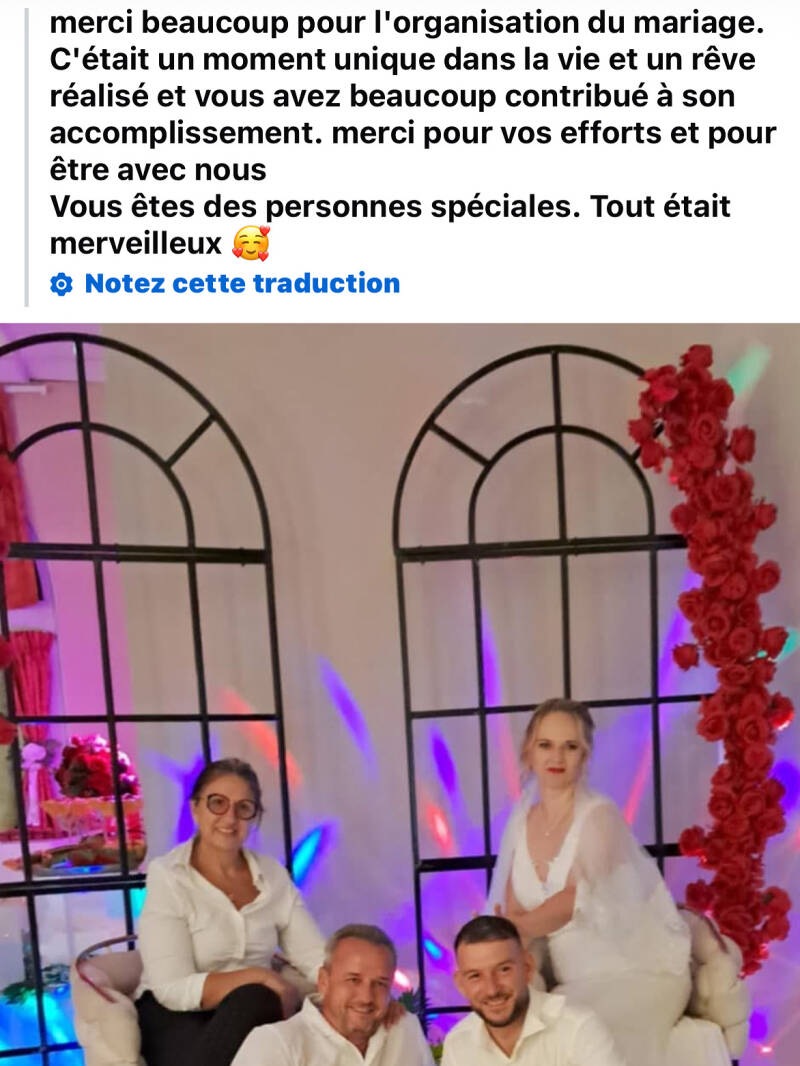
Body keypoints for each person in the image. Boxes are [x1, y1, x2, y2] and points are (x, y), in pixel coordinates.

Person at [487, 699, 691, 1066]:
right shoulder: (520, 823)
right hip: (576, 983)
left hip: (637, 973)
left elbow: (573, 899)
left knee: (586, 1039)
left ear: (585, 756)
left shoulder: (600, 818)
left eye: (570, 746)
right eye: (546, 745)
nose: (557, 757)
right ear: (528, 751)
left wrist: (513, 928)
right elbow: (513, 911)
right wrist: (499, 940)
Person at [135, 758, 326, 1066]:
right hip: (174, 1015)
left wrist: (356, 988)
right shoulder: (168, 875)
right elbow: (171, 988)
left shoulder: (273, 876)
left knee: (264, 1007)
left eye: (244, 808)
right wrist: (260, 976)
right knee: (258, 997)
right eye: (217, 803)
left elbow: (314, 957)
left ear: (255, 817)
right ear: (195, 808)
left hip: (249, 1014)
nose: (230, 817)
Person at [232, 923, 435, 1065]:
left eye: (380, 984)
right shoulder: (276, 1043)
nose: (366, 997)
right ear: (323, 981)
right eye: (353, 980)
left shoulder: (405, 1029)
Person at [443, 915, 624, 1065]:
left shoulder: (577, 1028)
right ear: (460, 984)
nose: (492, 989)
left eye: (504, 970)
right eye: (475, 976)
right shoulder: (457, 1042)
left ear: (528, 968)